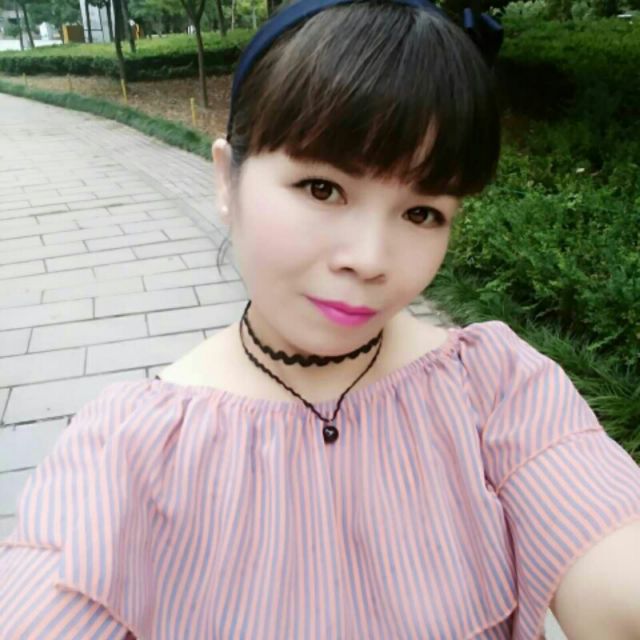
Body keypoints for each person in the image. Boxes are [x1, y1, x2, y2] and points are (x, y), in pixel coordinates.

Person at [2, 0, 640, 638]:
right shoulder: (129, 447)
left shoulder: (496, 390)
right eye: (322, 188)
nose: (370, 260)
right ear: (226, 179)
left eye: (422, 212)